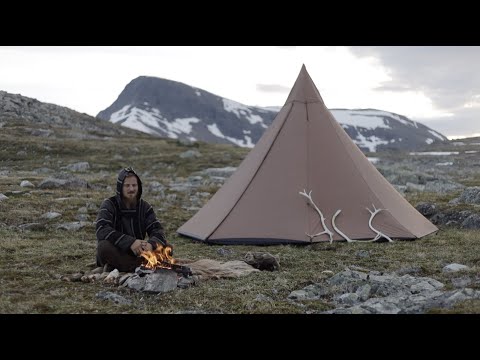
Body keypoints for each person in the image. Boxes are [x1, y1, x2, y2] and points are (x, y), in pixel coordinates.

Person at [95, 167, 170, 272]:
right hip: (118, 251)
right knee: (103, 247)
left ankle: (127, 266)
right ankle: (142, 266)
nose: (131, 189)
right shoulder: (109, 204)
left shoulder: (144, 207)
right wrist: (130, 242)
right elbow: (102, 230)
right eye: (127, 185)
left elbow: (158, 231)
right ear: (120, 187)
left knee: (167, 247)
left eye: (134, 185)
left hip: (139, 253)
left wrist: (151, 245)